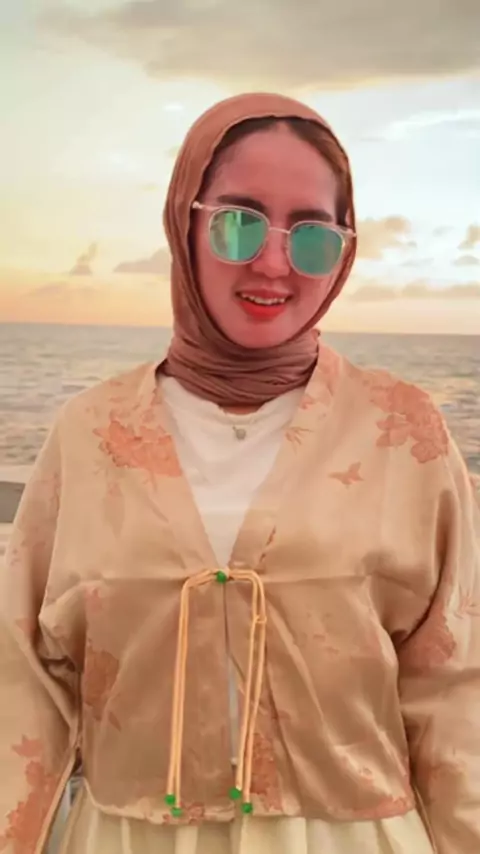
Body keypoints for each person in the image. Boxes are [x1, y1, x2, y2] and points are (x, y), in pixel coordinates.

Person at [1, 92, 479, 854]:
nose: (273, 263)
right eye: (238, 222)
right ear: (184, 223)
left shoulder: (405, 434)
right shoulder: (90, 435)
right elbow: (24, 680)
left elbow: (456, 692)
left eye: (313, 236)